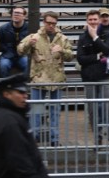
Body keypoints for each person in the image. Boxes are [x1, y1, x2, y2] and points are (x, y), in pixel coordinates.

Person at [17, 11, 73, 146]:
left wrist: (62, 51)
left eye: (54, 23)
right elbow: (19, 50)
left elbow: (70, 56)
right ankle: (33, 139)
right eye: (49, 23)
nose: (51, 26)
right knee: (36, 111)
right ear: (44, 22)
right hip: (39, 78)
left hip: (57, 79)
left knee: (55, 112)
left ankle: (54, 140)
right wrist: (29, 44)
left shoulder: (62, 38)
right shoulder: (34, 37)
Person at [0, 74, 49, 178]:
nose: (25, 96)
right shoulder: (10, 122)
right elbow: (20, 161)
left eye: (25, 92)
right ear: (7, 94)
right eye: (20, 92)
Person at [77, 9, 109, 146]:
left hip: (105, 76)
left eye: (95, 19)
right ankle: (98, 138)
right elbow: (81, 59)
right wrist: (96, 57)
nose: (93, 22)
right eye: (90, 20)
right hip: (89, 77)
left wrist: (95, 37)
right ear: (87, 21)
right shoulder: (82, 37)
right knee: (93, 111)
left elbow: (108, 50)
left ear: (99, 20)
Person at [0, 5, 29, 77]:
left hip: (23, 55)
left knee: (28, 65)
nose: (16, 15)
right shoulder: (3, 29)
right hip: (7, 55)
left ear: (24, 16)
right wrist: (7, 48)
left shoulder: (29, 29)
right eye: (14, 13)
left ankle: (24, 87)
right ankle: (5, 87)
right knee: (3, 65)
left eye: (18, 13)